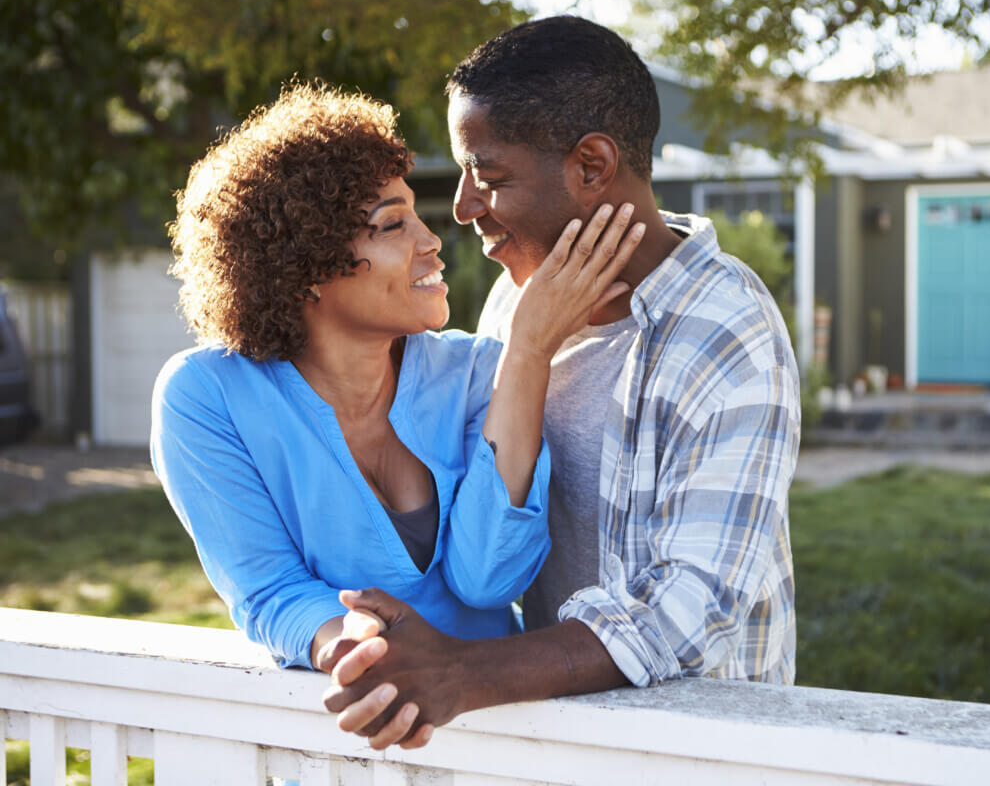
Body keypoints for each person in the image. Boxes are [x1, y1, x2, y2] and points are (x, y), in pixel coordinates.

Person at [320, 16, 802, 750]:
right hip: (558, 739)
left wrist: (464, 672)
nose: (461, 209)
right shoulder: (518, 302)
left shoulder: (723, 331)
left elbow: (689, 610)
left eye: (489, 176)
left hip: (696, 752)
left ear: (591, 166)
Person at [149, 83, 643, 681]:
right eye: (392, 225)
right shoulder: (206, 396)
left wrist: (531, 349)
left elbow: (489, 577)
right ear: (303, 266)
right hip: (343, 747)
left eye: (416, 216)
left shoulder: (477, 372)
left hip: (491, 738)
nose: (431, 242)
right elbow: (269, 590)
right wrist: (353, 643)